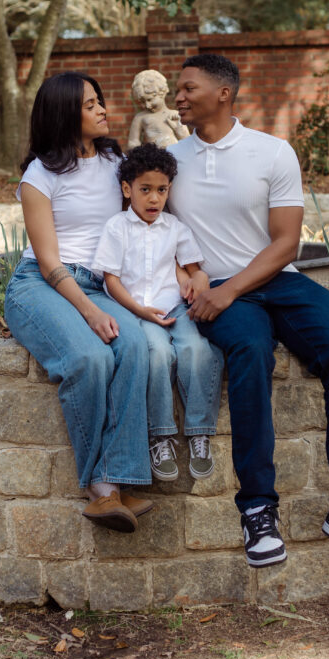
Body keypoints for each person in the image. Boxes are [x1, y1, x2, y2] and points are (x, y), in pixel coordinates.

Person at [167, 53, 329, 568]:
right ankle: (257, 510)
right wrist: (197, 282)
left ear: (224, 93)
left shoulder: (273, 152)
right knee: (249, 353)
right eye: (177, 90)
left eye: (188, 88)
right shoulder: (169, 158)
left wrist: (227, 293)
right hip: (217, 287)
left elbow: (286, 243)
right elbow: (152, 233)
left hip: (276, 280)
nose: (178, 97)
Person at [4, 71, 152, 534]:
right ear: (66, 113)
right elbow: (49, 262)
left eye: (99, 101)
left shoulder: (115, 160)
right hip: (42, 286)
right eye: (90, 105)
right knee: (88, 358)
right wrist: (90, 310)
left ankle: (121, 479)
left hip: (98, 284)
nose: (103, 109)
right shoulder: (39, 176)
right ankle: (100, 491)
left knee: (135, 348)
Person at [92, 143, 224, 482]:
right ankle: (160, 434)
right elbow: (111, 278)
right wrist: (139, 310)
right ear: (127, 189)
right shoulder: (116, 228)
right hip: (135, 310)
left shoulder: (175, 228)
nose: (154, 199)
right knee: (157, 354)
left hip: (175, 307)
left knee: (198, 349)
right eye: (145, 190)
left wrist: (197, 280)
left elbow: (193, 269)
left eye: (161, 190)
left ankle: (199, 431)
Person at [128, 69, 189, 149]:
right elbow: (133, 142)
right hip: (154, 159)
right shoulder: (140, 117)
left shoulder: (174, 115)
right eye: (142, 102)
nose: (147, 105)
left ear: (161, 93)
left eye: (150, 100)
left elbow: (187, 141)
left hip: (176, 157)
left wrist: (179, 129)